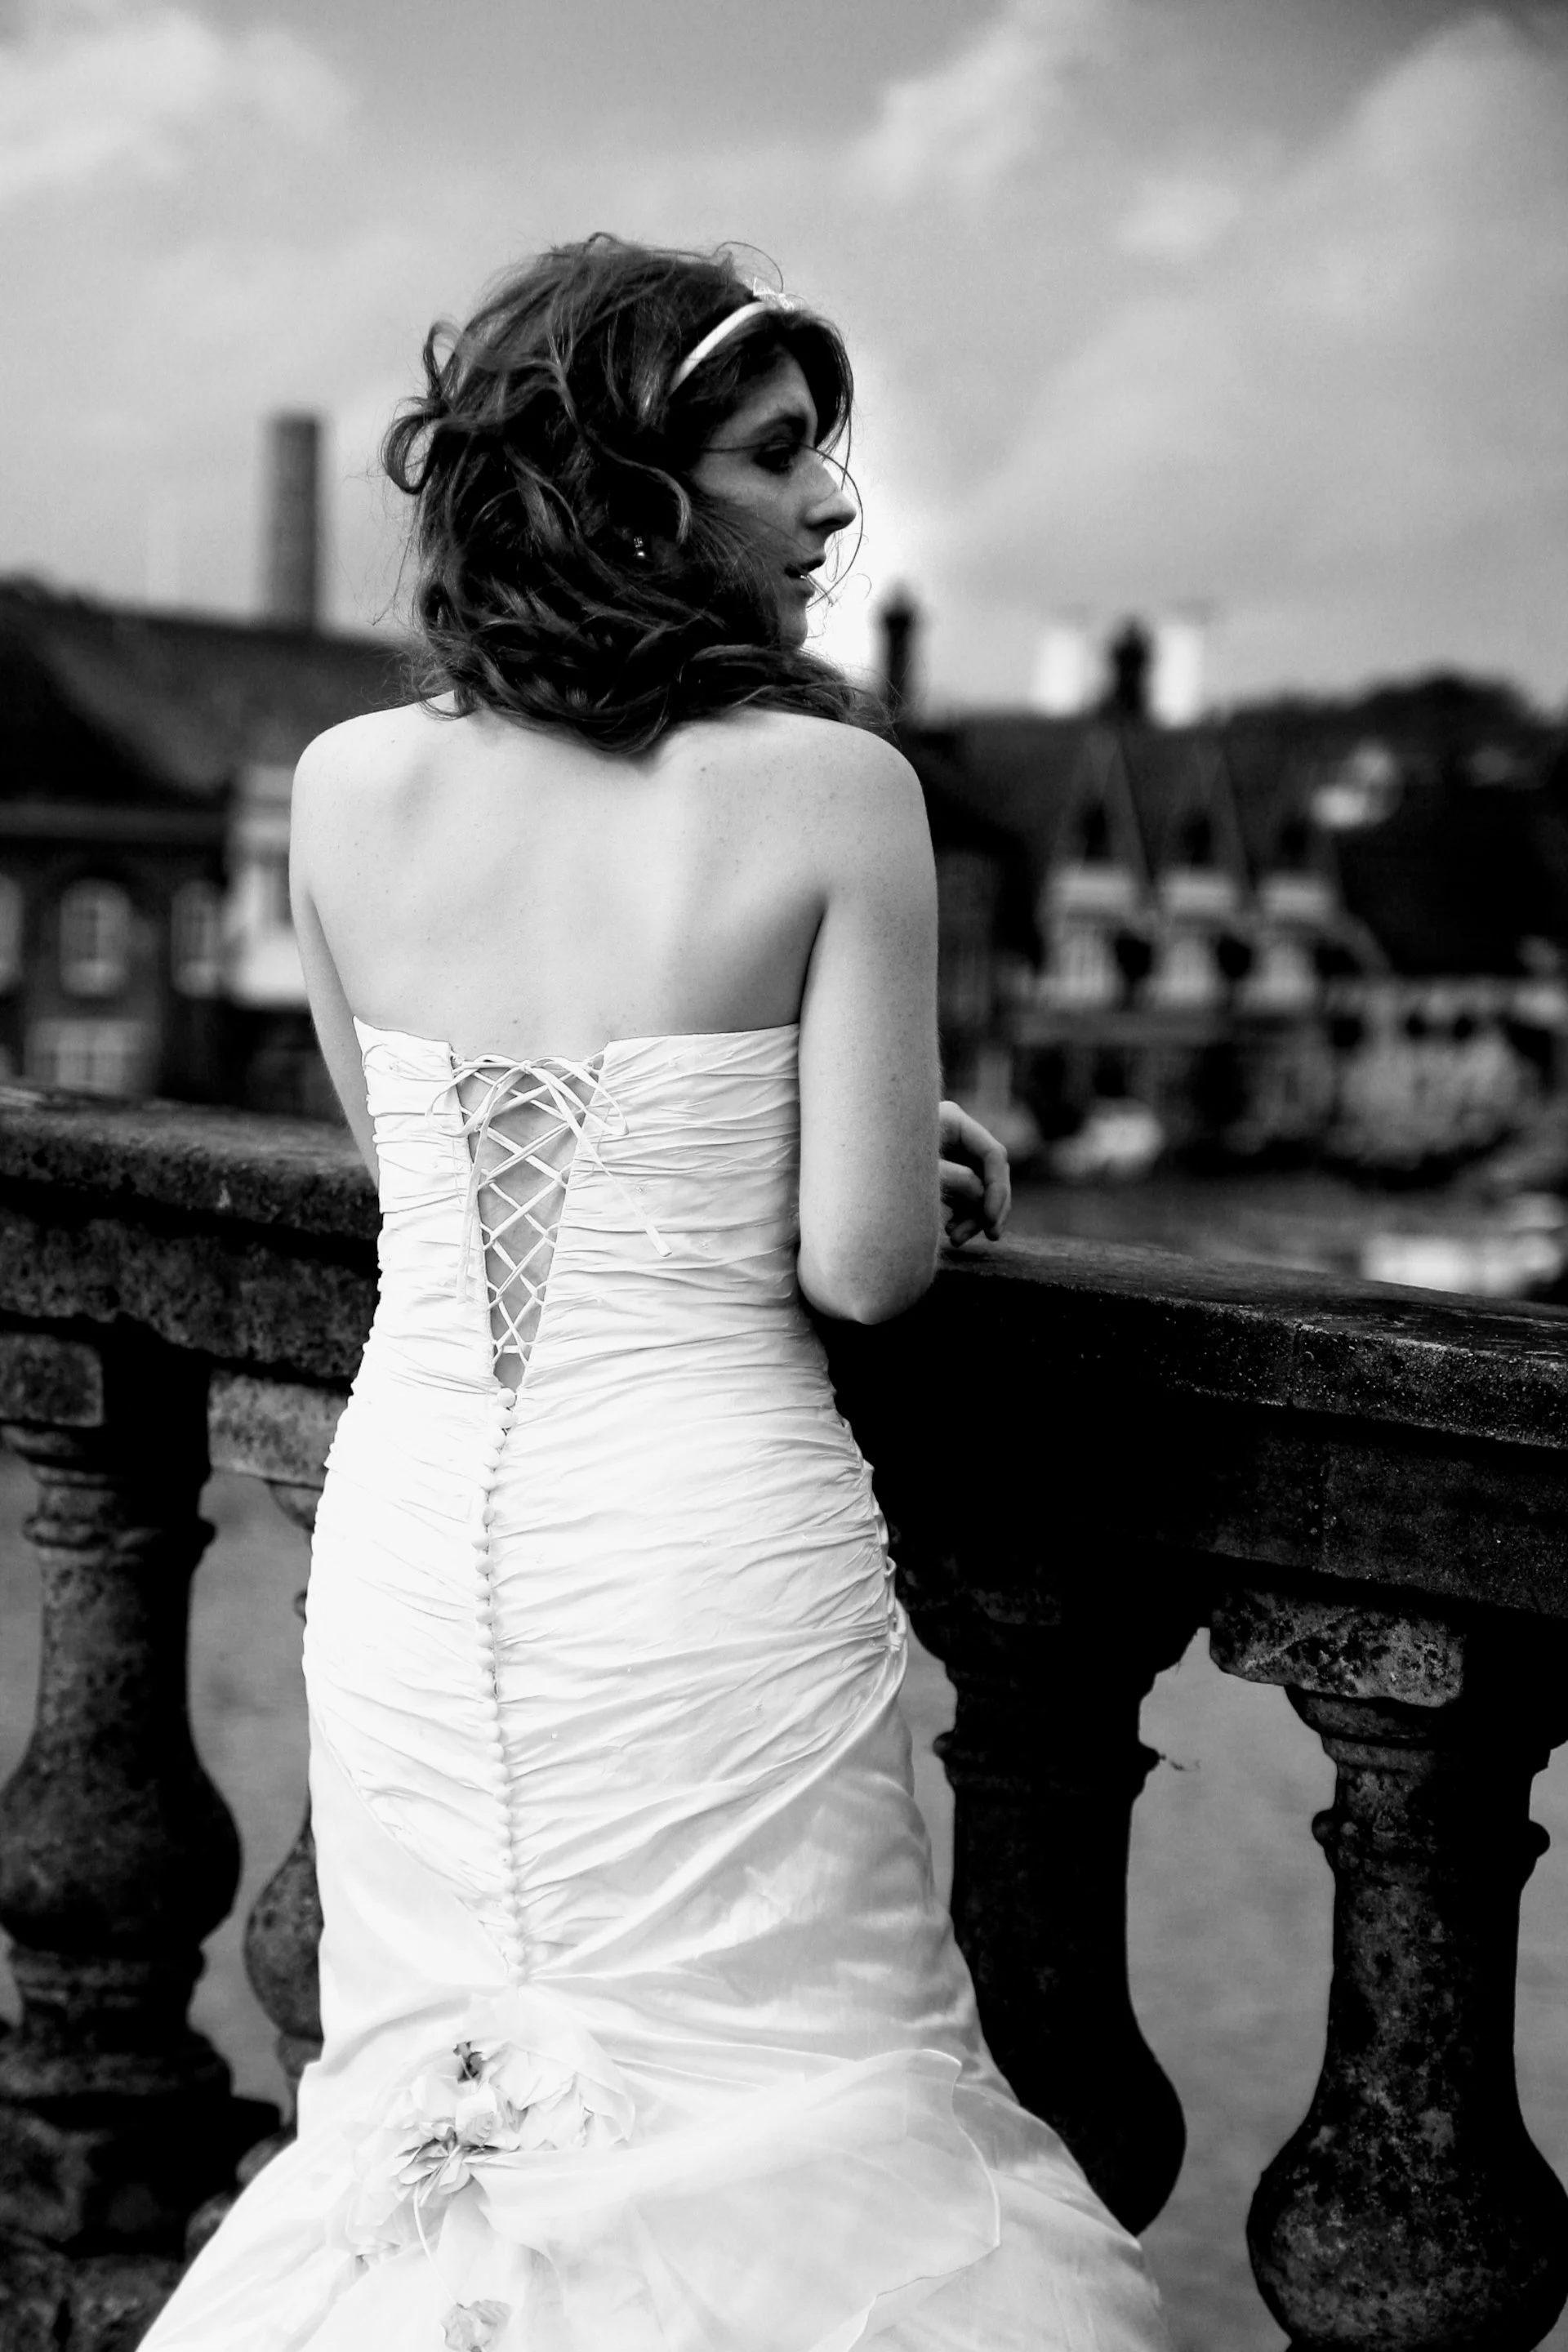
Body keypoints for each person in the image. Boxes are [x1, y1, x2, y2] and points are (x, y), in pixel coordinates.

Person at [145, 236, 1169, 2351]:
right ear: (632, 483)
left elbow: (408, 1162)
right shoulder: (828, 789)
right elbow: (866, 1264)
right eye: (782, 454)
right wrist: (878, 1131)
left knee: (442, 2109)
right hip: (702, 1542)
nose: (835, 508)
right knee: (789, 2099)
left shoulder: (347, 785)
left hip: (419, 1538)